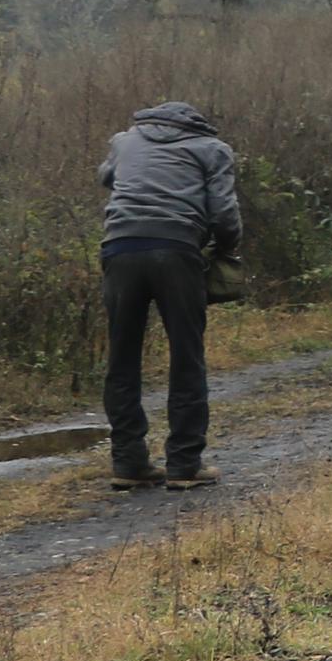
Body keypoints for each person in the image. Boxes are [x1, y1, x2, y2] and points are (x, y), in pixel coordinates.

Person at [96, 100, 242, 489]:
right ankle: (184, 464)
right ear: (198, 124)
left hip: (120, 249)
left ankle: (128, 463)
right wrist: (226, 249)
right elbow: (225, 214)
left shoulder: (125, 142)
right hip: (178, 250)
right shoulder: (213, 150)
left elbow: (107, 176)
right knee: (186, 356)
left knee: (122, 357)